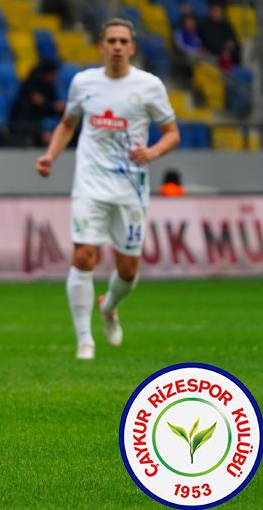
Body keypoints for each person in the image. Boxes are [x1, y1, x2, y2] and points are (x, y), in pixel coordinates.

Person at [35, 18, 180, 360]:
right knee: (83, 256)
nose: (117, 46)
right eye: (111, 40)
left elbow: (172, 133)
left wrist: (153, 152)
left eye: (123, 41)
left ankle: (109, 306)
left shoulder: (149, 86)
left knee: (128, 270)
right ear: (101, 45)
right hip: (90, 185)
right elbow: (67, 124)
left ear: (132, 47)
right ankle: (85, 340)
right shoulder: (83, 83)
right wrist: (50, 156)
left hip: (130, 188)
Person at [7, 60, 64, 147]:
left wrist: (57, 106)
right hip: (24, 124)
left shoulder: (49, 85)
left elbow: (51, 104)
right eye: (53, 74)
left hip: (38, 122)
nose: (55, 77)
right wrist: (53, 106)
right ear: (47, 74)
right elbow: (38, 102)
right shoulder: (31, 83)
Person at [197, 4, 241, 71]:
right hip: (212, 52)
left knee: (237, 47)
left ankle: (234, 67)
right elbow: (209, 41)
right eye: (215, 11)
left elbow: (232, 37)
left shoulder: (225, 24)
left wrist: (231, 43)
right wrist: (224, 46)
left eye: (219, 11)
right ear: (210, 12)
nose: (217, 13)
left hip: (228, 52)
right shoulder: (204, 25)